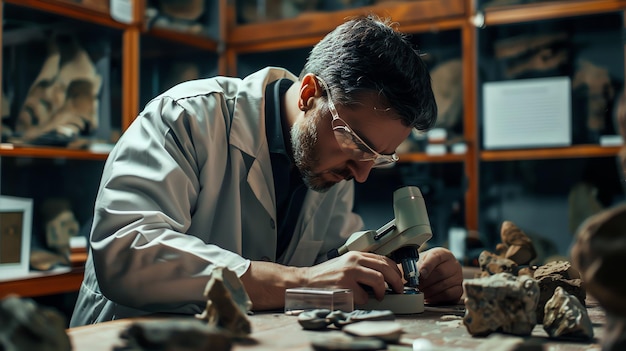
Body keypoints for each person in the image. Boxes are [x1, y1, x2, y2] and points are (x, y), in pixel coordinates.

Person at [70, 15, 463, 326]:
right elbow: (127, 251)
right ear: (310, 94)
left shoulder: (333, 161)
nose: (362, 174)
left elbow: (330, 261)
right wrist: (301, 282)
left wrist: (401, 273)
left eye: (379, 157)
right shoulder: (187, 118)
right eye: (359, 147)